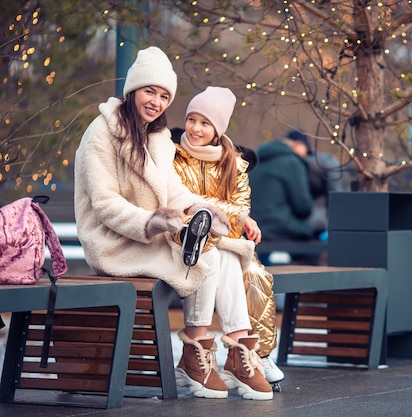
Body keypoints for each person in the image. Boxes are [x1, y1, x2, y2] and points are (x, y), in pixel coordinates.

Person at [73, 46, 272, 401]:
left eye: (165, 95)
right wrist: (151, 220)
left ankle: (236, 350)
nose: (157, 101)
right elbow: (104, 204)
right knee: (207, 256)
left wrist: (205, 209)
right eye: (150, 91)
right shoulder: (100, 133)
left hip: (152, 235)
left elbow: (174, 190)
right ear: (133, 89)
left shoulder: (158, 137)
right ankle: (197, 353)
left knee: (223, 253)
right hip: (116, 242)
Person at [171, 86, 285, 390]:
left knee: (254, 273)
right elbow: (181, 199)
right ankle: (223, 353)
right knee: (217, 256)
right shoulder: (173, 156)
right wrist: (237, 216)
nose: (196, 129)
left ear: (217, 129)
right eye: (192, 120)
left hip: (225, 241)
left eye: (205, 123)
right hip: (183, 236)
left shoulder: (233, 162)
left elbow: (240, 205)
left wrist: (236, 216)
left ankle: (252, 352)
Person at [248, 133, 316, 243]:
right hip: (278, 226)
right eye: (306, 151)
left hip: (251, 227)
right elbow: (303, 207)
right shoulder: (292, 162)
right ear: (298, 144)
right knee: (320, 227)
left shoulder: (257, 160)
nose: (305, 156)